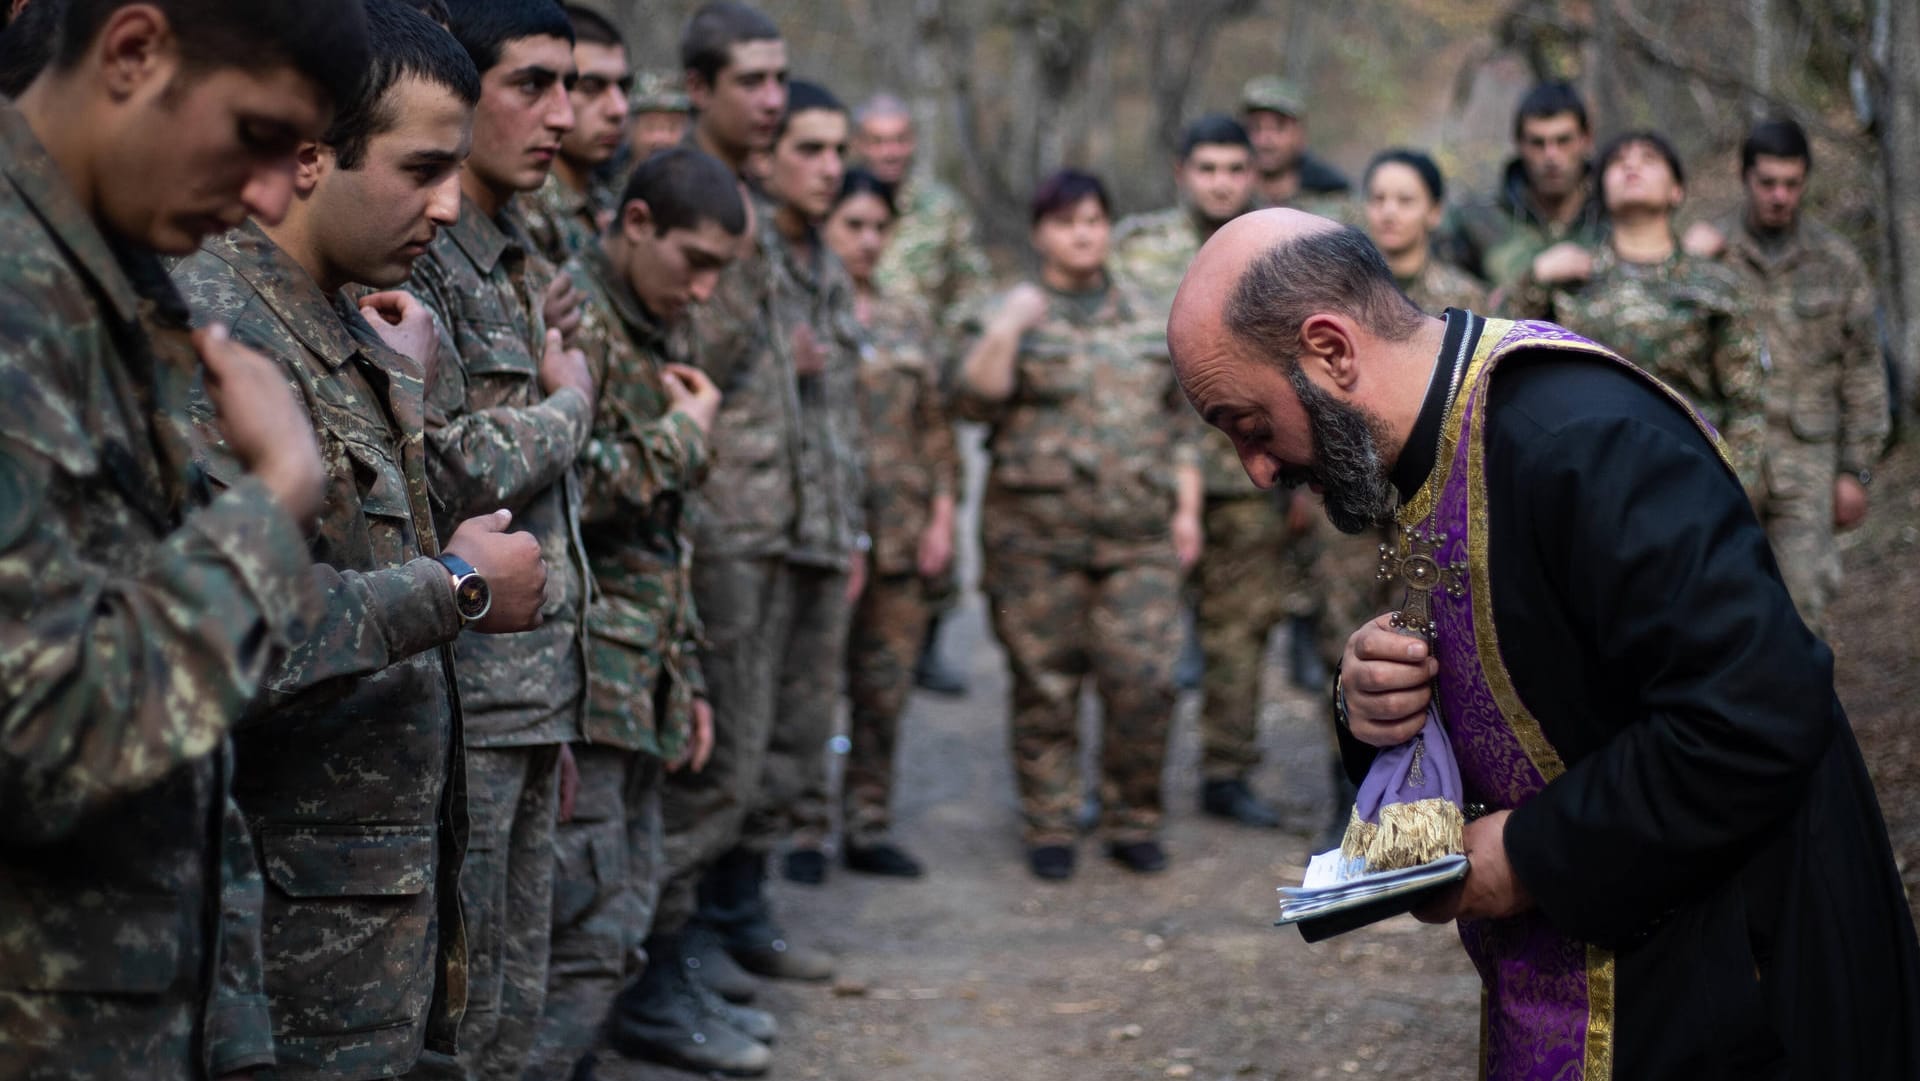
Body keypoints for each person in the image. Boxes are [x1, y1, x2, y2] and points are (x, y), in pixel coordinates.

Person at [1170, 207, 1920, 1079]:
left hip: (1749, 985)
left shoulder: (1582, 439)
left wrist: (1525, 857)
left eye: (1250, 426)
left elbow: (1754, 711)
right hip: (1595, 979)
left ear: (1332, 350)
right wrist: (1366, 701)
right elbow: (1535, 686)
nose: (1256, 470)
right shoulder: (1416, 451)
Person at [168, 7, 534, 1078]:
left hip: (365, 918)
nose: (450, 204)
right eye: (421, 168)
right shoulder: (221, 336)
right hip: (280, 948)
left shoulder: (336, 320)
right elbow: (236, 637)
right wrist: (460, 584)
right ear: (310, 158)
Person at [0, 1, 361, 1077]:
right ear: (134, 50)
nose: (263, 198)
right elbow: (45, 737)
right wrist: (277, 497)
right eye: (252, 136)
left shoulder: (100, 275)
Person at [620, 6, 819, 1075]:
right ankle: (658, 978)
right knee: (703, 768)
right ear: (697, 86)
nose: (774, 98)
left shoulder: (757, 200)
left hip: (762, 521)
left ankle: (688, 952)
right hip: (711, 526)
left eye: (781, 77)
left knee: (743, 761)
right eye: (751, 79)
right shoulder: (686, 199)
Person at [401, 2, 594, 1077]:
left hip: (528, 685)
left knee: (518, 988)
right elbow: (444, 459)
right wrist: (571, 407)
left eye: (570, 84)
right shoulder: (419, 248)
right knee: (459, 1012)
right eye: (532, 84)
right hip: (465, 685)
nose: (561, 115)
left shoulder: (514, 251)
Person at [526, 146, 746, 1081]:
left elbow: (665, 542)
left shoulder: (647, 328)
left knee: (617, 921)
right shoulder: (581, 324)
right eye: (691, 262)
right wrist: (684, 438)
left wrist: (682, 673)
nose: (700, 291)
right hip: (583, 676)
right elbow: (571, 488)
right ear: (637, 223)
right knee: (574, 926)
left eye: (718, 274)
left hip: (634, 674)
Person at [954, 169, 1203, 881]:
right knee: (1045, 685)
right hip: (1035, 538)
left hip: (1138, 535)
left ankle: (1133, 816)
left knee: (1145, 680)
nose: (1084, 233)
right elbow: (972, 400)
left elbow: (1178, 422)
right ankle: (1051, 820)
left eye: (1095, 218)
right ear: (1040, 234)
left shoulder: (1152, 313)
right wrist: (1009, 327)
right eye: (1067, 222)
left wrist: (1187, 510)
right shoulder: (1007, 312)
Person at [1111, 113, 1301, 829]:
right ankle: (1129, 779)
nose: (1221, 182)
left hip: (1247, 473)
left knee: (1240, 630)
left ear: (1252, 173)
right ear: (1181, 172)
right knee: (1140, 639)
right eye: (1207, 168)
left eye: (1233, 168)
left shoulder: (1280, 247)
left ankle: (1227, 769)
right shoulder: (1137, 249)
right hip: (1156, 473)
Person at [1684, 119, 1889, 636]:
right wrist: (1686, 267)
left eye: (1792, 184)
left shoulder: (1835, 262)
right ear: (1745, 178)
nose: (1780, 196)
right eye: (1768, 182)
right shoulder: (1707, 251)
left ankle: (1802, 715)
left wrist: (1856, 470)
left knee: (1803, 603)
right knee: (1721, 605)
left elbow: (1863, 368)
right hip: (1724, 457)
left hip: (1808, 458)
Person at [1498, 130, 1768, 500]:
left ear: (1677, 190)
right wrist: (1535, 277)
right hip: (1587, 483)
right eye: (1618, 161)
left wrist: (1736, 493)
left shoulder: (1714, 285)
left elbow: (1747, 403)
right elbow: (1496, 356)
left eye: (1649, 159)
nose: (1631, 165)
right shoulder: (1568, 278)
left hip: (1691, 482)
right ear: (1601, 192)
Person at [826, 168, 960, 878]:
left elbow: (937, 427)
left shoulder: (908, 315)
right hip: (827, 535)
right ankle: (795, 832)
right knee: (813, 693)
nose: (868, 240)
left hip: (902, 538)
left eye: (880, 227)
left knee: (884, 688)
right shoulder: (806, 309)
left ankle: (866, 823)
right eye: (854, 225)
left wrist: (942, 516)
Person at [752, 80, 868, 889]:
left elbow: (842, 417)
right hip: (756, 534)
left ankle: (745, 909)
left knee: (799, 729)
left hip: (820, 532)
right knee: (742, 736)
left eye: (839, 151)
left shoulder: (825, 261)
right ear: (765, 156)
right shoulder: (741, 251)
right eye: (810, 149)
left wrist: (852, 530)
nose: (830, 168)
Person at [850, 90, 988, 697]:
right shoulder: (844, 201)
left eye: (898, 138)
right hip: (856, 379)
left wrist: (952, 349)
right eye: (877, 140)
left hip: (924, 382)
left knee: (934, 499)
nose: (889, 151)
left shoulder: (940, 211)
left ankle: (923, 644)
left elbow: (970, 288)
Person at [1441, 80, 1606, 290]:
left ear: (1586, 139)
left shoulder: (1613, 214)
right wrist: (1534, 276)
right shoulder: (1478, 221)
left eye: (1563, 141)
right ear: (1519, 144)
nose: (1551, 156)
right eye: (1538, 143)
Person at [523, 3, 628, 263]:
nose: (619, 108)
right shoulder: (526, 213)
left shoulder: (605, 202)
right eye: (591, 87)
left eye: (623, 87)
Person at [1363, 149, 1488, 314]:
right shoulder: (1345, 289)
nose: (1388, 212)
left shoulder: (1463, 298)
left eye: (1405, 200)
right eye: (1378, 198)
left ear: (1435, 211)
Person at [1238, 76, 1351, 214]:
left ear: (1300, 133)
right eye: (1256, 127)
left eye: (1278, 127)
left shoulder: (1331, 200)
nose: (1265, 140)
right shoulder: (1230, 200)